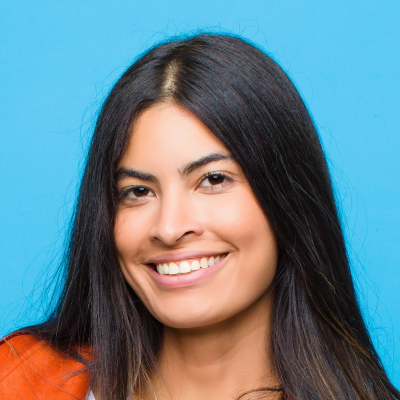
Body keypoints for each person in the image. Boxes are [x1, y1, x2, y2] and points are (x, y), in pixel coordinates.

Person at [0, 33, 398, 400]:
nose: (170, 228)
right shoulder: (18, 380)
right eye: (138, 191)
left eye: (213, 179)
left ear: (288, 201)